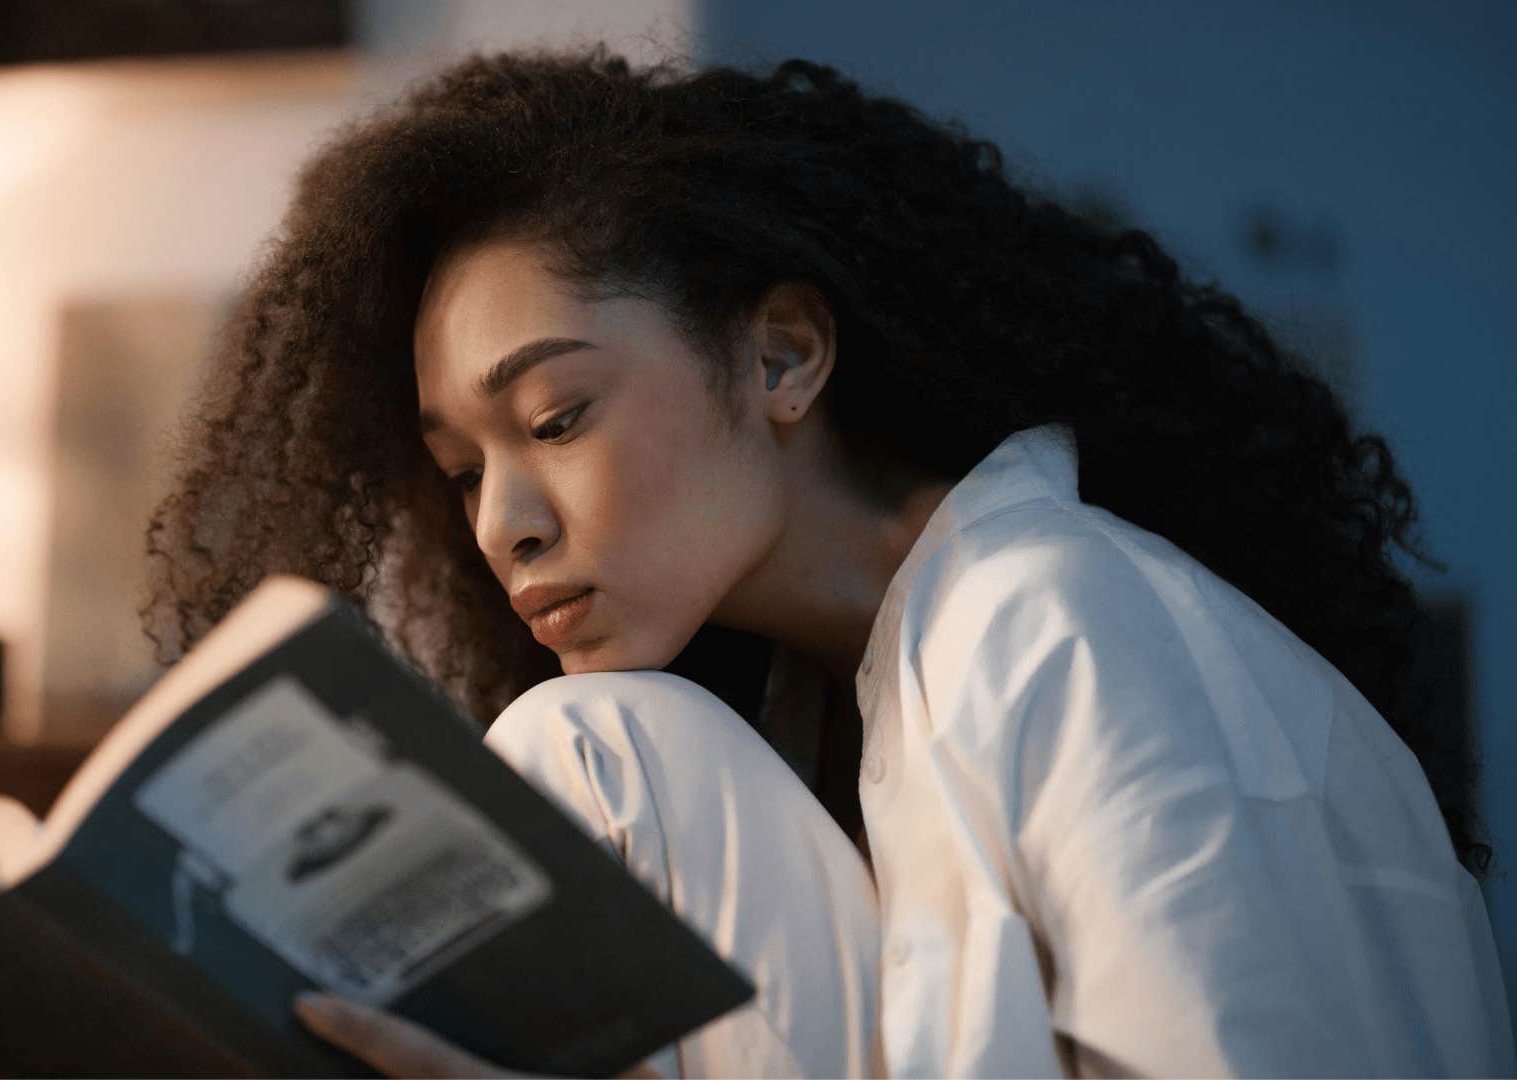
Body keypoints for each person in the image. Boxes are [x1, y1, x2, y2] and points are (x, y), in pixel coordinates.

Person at [140, 43, 1515, 1078]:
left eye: (556, 418)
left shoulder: (1069, 622)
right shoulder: (810, 716)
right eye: (461, 471)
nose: (501, 523)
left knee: (596, 743)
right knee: (599, 744)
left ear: (784, 355)